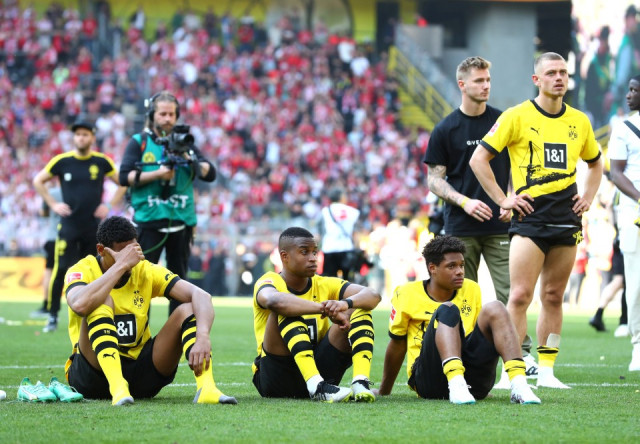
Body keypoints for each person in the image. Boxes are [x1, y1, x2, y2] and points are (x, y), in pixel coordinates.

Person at [470, 52, 603, 388]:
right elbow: (478, 159)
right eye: (552, 73)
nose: (559, 78)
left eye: (563, 73)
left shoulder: (580, 121)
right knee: (519, 296)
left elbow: (595, 163)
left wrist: (588, 197)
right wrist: (504, 199)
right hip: (529, 221)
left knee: (554, 296)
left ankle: (546, 371)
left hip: (566, 220)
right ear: (537, 80)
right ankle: (512, 371)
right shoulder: (516, 116)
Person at [63, 216, 237, 405]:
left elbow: (201, 295)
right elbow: (79, 304)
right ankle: (118, 386)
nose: (130, 259)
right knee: (100, 299)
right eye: (122, 253)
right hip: (92, 375)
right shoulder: (83, 269)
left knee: (189, 309)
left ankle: (206, 388)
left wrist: (203, 336)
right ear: (101, 250)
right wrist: (121, 266)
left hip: (140, 374)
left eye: (133, 251)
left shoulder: (145, 270)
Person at [375, 236, 540, 404]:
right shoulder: (406, 293)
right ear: (432, 268)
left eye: (461, 265)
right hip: (429, 381)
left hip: (471, 380)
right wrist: (384, 390)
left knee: (496, 307)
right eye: (451, 266)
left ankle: (519, 386)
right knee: (447, 309)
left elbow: (476, 340)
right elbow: (397, 344)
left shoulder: (472, 289)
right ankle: (456, 384)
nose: (460, 271)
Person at [252, 227, 381, 402]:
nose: (313, 258)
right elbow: (274, 301)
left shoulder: (323, 283)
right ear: (284, 256)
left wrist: (344, 304)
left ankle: (360, 382)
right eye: (304, 252)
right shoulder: (270, 280)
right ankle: (316, 386)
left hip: (322, 372)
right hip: (278, 378)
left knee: (358, 307)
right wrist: (325, 309)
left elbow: (373, 295)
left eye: (314, 252)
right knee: (285, 308)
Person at [119, 92, 216, 315]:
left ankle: (177, 332)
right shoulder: (139, 142)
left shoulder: (186, 143)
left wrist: (190, 159)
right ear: (152, 115)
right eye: (162, 114)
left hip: (181, 222)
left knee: (180, 284)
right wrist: (157, 174)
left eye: (171, 114)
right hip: (149, 221)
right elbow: (124, 176)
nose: (167, 119)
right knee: (141, 280)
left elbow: (210, 173)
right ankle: (140, 331)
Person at [33, 121, 125, 333]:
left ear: (92, 138)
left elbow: (122, 182)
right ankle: (52, 315)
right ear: (74, 138)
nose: (81, 138)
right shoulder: (62, 161)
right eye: (78, 134)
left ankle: (96, 313)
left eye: (85, 134)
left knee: (95, 271)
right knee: (61, 269)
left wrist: (108, 205)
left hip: (93, 228)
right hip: (68, 226)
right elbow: (38, 181)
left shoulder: (101, 161)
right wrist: (53, 204)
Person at [607, 74, 640, 371]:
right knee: (636, 279)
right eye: (629, 89)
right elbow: (616, 173)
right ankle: (638, 345)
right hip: (633, 211)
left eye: (634, 90)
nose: (628, 95)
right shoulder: (623, 128)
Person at [31, 185, 62, 318]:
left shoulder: (52, 192)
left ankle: (47, 305)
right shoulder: (79, 190)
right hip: (73, 236)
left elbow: (44, 213)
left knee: (50, 271)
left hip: (53, 237)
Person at [319, 188, 361, 280]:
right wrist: (357, 246)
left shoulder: (325, 211)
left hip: (329, 248)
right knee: (347, 281)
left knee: (330, 280)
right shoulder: (353, 211)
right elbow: (355, 232)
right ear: (341, 197)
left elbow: (320, 231)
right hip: (347, 247)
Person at [605, 5, 638, 117]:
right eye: (632, 18)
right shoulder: (628, 41)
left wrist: (613, 93)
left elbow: (621, 76)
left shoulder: (629, 42)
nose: (634, 22)